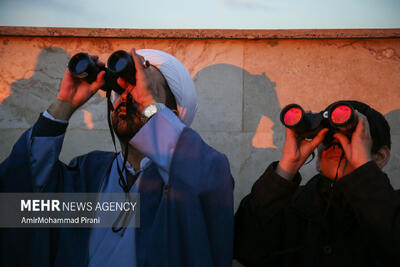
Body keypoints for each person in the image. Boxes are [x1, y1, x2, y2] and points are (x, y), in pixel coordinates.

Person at [0, 48, 234, 267]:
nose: (126, 98)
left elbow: (207, 182)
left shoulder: (182, 181)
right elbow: (16, 203)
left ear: (171, 115)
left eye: (142, 90)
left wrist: (149, 107)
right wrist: (64, 104)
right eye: (121, 91)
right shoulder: (88, 173)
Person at [234, 101, 399, 267]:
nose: (336, 144)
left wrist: (364, 171)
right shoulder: (288, 204)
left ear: (380, 157)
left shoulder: (392, 210)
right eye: (328, 138)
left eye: (351, 139)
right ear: (318, 156)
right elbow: (244, 249)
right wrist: (285, 170)